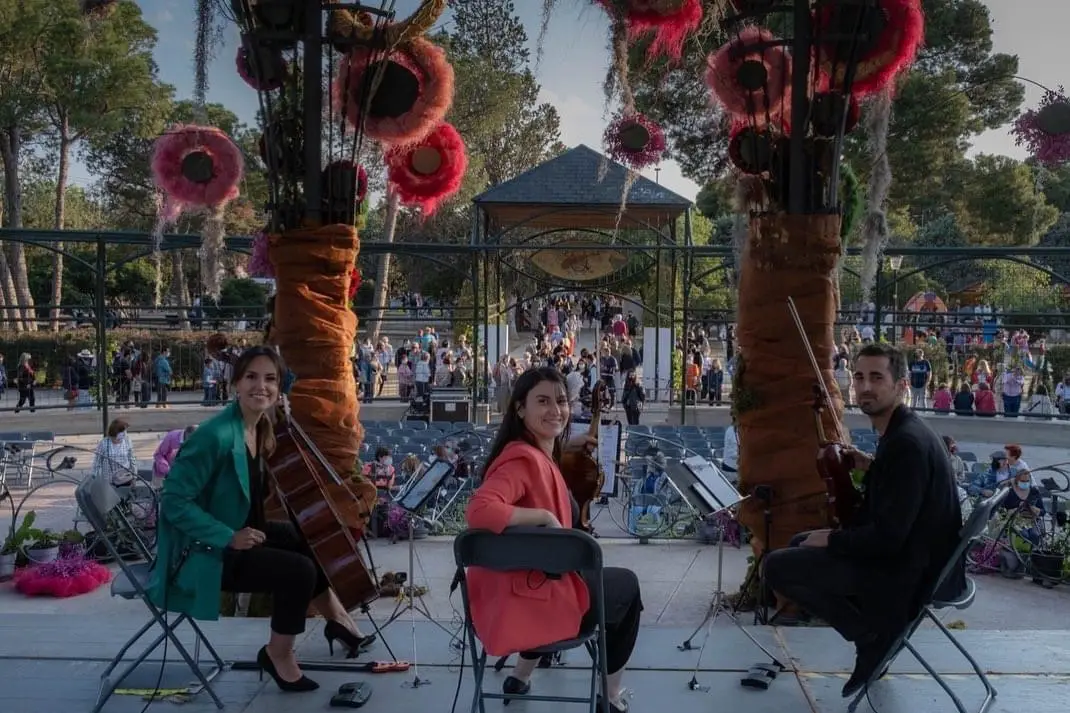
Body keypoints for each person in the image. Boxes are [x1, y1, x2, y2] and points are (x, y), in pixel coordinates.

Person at [147, 346, 376, 693]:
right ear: (235, 382)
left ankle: (338, 620)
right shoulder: (215, 436)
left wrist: (282, 392)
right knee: (297, 571)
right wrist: (228, 536)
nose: (261, 386)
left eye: (270, 379)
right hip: (204, 551)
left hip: (243, 532)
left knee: (306, 540)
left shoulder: (258, 426)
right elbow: (174, 502)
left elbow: (288, 379)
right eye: (251, 377)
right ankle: (277, 654)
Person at [761, 343, 963, 698]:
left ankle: (871, 634)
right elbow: (902, 490)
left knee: (777, 567)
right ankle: (871, 630)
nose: (865, 386)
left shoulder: (906, 446)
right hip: (917, 558)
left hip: (906, 572)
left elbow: (888, 539)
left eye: (876, 377)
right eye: (859, 377)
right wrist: (872, 464)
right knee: (797, 545)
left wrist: (832, 539)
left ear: (901, 385)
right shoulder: (904, 434)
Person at [465, 367, 642, 713]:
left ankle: (520, 676)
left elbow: (543, 468)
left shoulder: (532, 454)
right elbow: (480, 509)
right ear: (520, 408)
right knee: (627, 587)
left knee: (542, 569)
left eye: (560, 401)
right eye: (542, 401)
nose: (555, 410)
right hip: (540, 602)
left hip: (516, 598)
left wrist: (567, 446)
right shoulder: (521, 462)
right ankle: (611, 695)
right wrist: (543, 518)